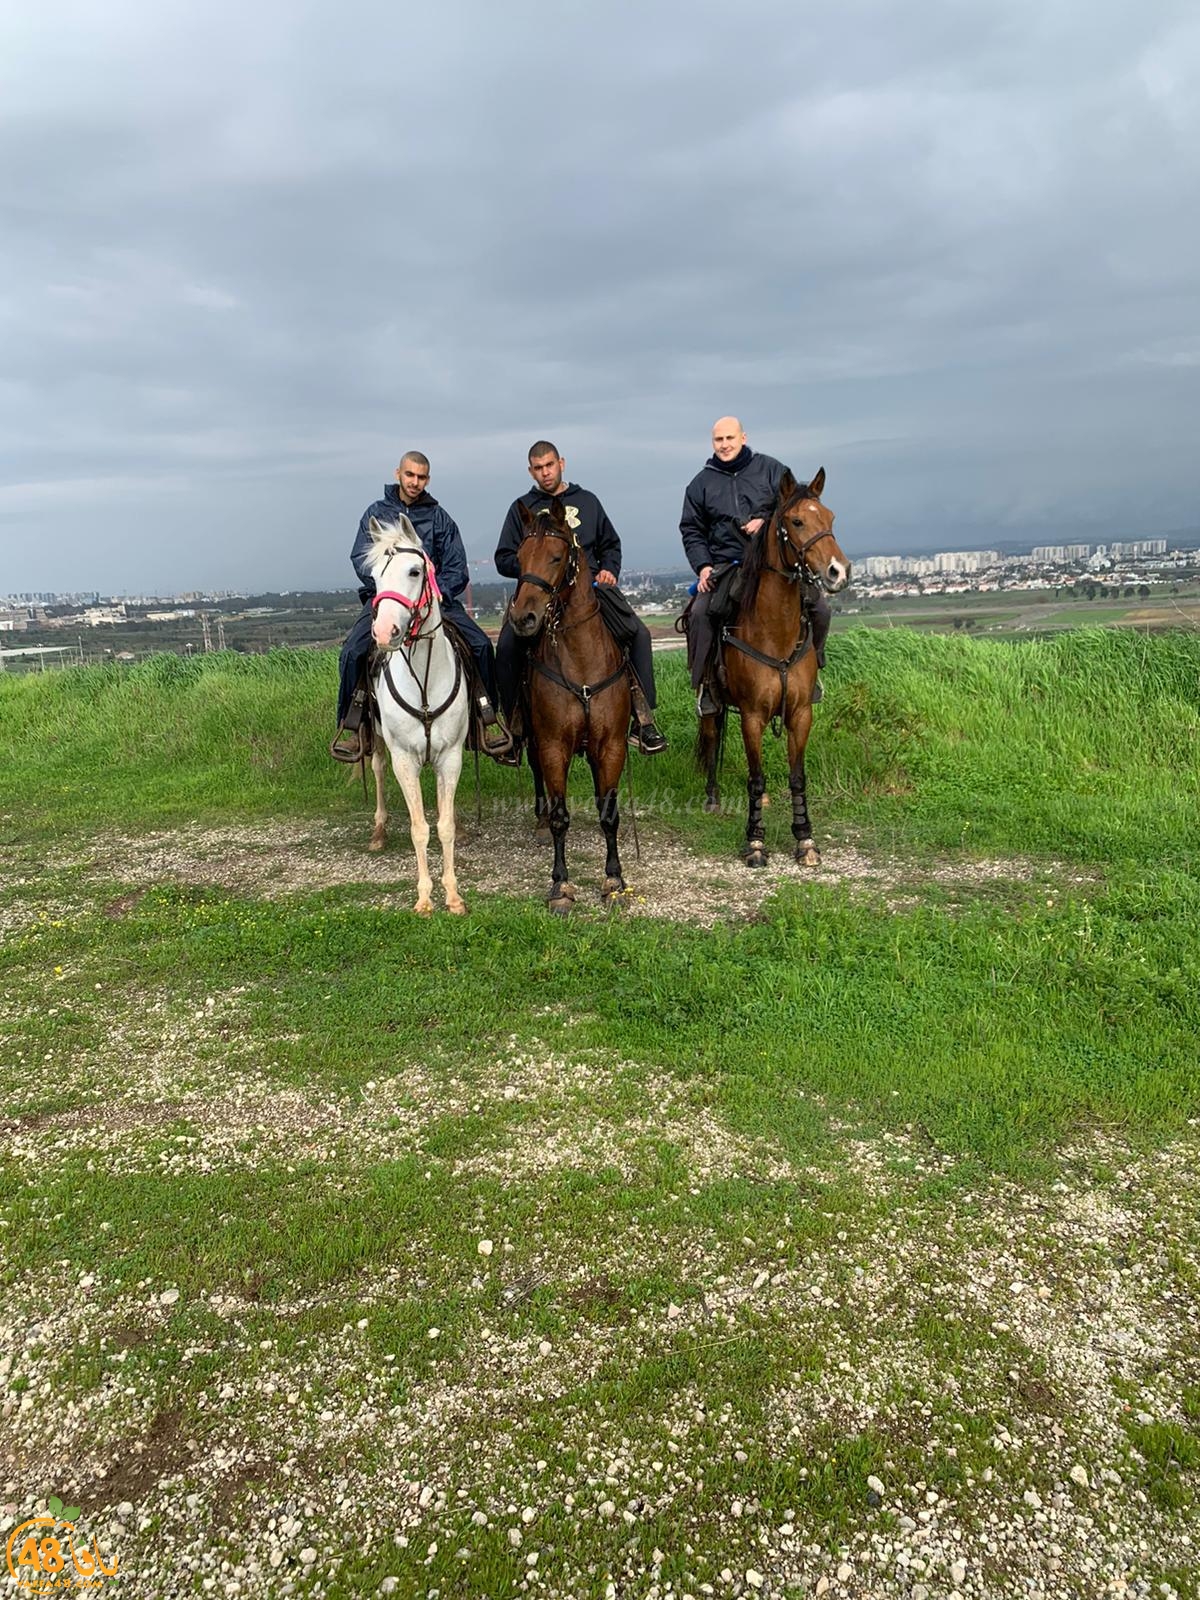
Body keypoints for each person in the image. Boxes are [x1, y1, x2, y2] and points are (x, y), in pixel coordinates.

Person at [330, 451, 510, 762]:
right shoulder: (376, 512)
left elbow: (457, 567)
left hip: (437, 601)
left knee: (480, 645)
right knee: (352, 652)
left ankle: (486, 719)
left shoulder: (440, 518)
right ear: (398, 473)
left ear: (427, 479)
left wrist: (439, 592)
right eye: (410, 475)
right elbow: (362, 558)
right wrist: (390, 587)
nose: (415, 482)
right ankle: (353, 725)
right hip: (389, 601)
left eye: (422, 477)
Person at [493, 441, 668, 757]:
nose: (545, 473)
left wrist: (610, 570)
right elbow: (503, 556)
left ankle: (643, 720)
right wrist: (531, 564)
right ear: (530, 470)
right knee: (506, 646)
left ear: (561, 463)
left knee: (639, 634)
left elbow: (610, 544)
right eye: (538, 468)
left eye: (549, 465)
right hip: (541, 596)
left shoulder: (587, 502)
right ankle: (515, 727)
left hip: (590, 592)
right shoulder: (522, 508)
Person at [679, 416, 831, 713]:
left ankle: (814, 669)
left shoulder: (773, 469)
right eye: (718, 440)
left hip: (773, 563)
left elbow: (794, 505)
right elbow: (691, 530)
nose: (724, 445)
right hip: (727, 563)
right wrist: (703, 566)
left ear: (743, 438)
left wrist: (764, 518)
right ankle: (707, 686)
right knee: (699, 613)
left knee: (820, 608)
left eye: (729, 439)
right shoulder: (700, 484)